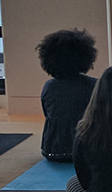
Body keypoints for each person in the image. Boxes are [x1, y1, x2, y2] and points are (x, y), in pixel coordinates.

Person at [37, 28, 98, 163]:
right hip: (86, 152)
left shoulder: (49, 86)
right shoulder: (94, 85)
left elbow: (48, 114)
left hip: (52, 150)